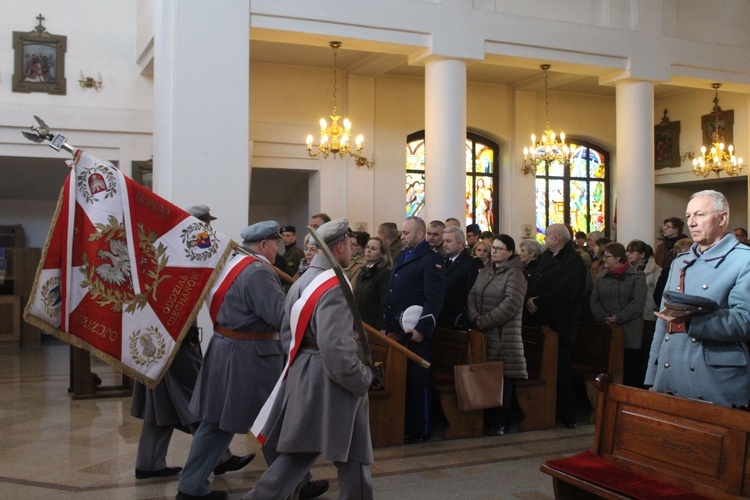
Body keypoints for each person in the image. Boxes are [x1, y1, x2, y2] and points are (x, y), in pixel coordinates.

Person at [243, 219, 380, 500]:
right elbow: (338, 353)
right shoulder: (335, 287)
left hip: (305, 372)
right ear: (339, 246)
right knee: (338, 457)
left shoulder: (302, 281)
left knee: (315, 455)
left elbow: (286, 334)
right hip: (332, 382)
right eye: (350, 247)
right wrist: (364, 379)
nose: (352, 252)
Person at [130, 205, 251, 481]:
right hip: (174, 341)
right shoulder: (183, 252)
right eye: (205, 224)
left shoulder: (166, 249)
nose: (207, 230)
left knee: (161, 403)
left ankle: (149, 463)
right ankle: (220, 458)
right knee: (197, 399)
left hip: (158, 340)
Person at [176, 221, 286, 500]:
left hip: (225, 350)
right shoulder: (259, 271)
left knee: (217, 423)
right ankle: (293, 481)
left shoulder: (231, 263)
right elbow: (279, 316)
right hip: (251, 359)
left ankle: (191, 487)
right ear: (264, 245)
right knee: (271, 420)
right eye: (275, 245)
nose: (277, 251)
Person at [646, 190, 750, 407]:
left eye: (700, 215)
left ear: (722, 218)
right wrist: (652, 376)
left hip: (714, 377)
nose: (692, 223)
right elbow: (662, 324)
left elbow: (744, 320)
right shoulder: (680, 262)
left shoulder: (743, 260)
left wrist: (691, 321)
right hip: (671, 371)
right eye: (688, 216)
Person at [382, 216, 445, 444]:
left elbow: (434, 298)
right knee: (402, 379)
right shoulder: (402, 256)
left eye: (406, 233)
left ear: (420, 234)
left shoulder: (431, 260)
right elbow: (391, 295)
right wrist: (384, 326)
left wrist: (422, 328)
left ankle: (421, 428)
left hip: (416, 332)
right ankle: (405, 424)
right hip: (397, 330)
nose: (402, 236)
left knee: (418, 380)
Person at [524, 224, 589, 428]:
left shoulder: (572, 261)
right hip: (541, 322)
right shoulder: (547, 257)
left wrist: (538, 302)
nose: (544, 239)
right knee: (546, 368)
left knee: (561, 371)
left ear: (557, 238)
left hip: (560, 324)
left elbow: (564, 292)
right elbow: (536, 281)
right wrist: (530, 300)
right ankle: (545, 411)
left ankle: (568, 415)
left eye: (547, 236)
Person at [467, 234, 528, 436]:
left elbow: (511, 305)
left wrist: (484, 322)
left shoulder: (515, 274)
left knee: (503, 378)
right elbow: (472, 295)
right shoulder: (486, 271)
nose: (494, 251)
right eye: (493, 247)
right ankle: (487, 420)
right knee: (488, 376)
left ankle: (501, 422)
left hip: (504, 335)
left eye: (499, 248)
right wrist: (475, 317)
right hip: (484, 331)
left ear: (510, 253)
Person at [590, 242, 647, 387]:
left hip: (630, 331)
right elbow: (594, 300)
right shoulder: (600, 278)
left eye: (607, 256)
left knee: (629, 371)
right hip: (607, 329)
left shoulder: (637, 276)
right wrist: (604, 317)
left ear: (618, 258)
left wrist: (618, 317)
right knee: (609, 371)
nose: (604, 259)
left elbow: (637, 303)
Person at [437, 226, 483, 329]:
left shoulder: (472, 263)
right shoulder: (443, 262)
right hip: (442, 319)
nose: (444, 245)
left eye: (448, 241)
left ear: (460, 243)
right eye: (443, 241)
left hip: (459, 320)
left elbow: (473, 293)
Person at [354, 236, 392, 327]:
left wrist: (381, 325)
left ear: (382, 254)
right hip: (359, 321)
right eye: (367, 247)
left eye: (373, 249)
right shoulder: (363, 271)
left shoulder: (384, 274)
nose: (369, 250)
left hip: (373, 324)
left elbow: (384, 303)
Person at [626, 239, 662, 321]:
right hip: (630, 314)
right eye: (627, 251)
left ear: (642, 254)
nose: (627, 254)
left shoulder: (656, 271)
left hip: (649, 314)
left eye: (631, 252)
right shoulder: (627, 271)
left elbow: (659, 293)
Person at [653, 237, 692, 309]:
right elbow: (658, 294)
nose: (683, 255)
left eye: (686, 252)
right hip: (670, 309)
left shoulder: (696, 270)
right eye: (679, 252)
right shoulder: (667, 271)